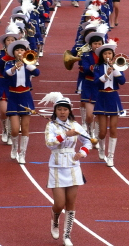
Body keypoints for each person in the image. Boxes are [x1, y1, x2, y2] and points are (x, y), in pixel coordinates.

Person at [42, 93, 92, 246]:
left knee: (71, 203)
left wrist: (82, 152)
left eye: (65, 109)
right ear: (55, 111)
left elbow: (88, 141)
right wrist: (65, 134)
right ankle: (55, 218)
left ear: (70, 110)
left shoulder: (76, 126)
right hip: (56, 166)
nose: (62, 112)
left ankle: (67, 235)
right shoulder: (51, 125)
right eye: (59, 109)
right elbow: (49, 143)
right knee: (59, 203)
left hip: (72, 166)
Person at [4, 39, 40, 164]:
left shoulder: (28, 63)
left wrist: (27, 64)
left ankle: (23, 154)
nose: (20, 52)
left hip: (25, 96)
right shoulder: (9, 63)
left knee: (25, 128)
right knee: (14, 129)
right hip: (13, 96)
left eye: (22, 50)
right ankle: (14, 148)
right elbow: (6, 74)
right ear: (14, 53)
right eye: (17, 50)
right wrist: (15, 67)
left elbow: (37, 72)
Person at [93, 40, 126, 167]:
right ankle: (101, 149)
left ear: (113, 55)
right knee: (102, 132)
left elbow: (122, 81)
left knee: (113, 129)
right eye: (105, 54)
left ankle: (111, 156)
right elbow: (96, 83)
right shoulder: (97, 67)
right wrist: (106, 75)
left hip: (113, 97)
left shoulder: (118, 66)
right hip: (101, 97)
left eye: (110, 53)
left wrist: (115, 70)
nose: (108, 56)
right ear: (101, 56)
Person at [0, 26, 20, 144]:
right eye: (8, 40)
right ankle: (5, 130)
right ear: (5, 42)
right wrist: (6, 57)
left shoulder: (21, 53)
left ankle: (10, 133)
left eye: (12, 40)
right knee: (4, 111)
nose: (10, 42)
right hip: (4, 83)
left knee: (13, 110)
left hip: (16, 84)